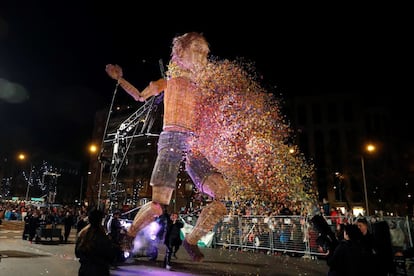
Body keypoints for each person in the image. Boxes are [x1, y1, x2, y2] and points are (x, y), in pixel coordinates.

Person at [105, 32, 229, 262]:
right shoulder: (170, 82)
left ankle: (191, 240)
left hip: (194, 145)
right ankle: (129, 234)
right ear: (181, 51)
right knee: (158, 205)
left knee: (222, 197)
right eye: (197, 49)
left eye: (205, 52)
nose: (202, 56)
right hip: (172, 139)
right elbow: (140, 96)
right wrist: (119, 80)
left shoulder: (202, 87)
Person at [75, 208, 116, 276]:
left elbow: (77, 253)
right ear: (100, 220)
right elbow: (110, 256)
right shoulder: (102, 236)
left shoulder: (82, 234)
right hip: (100, 270)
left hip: (85, 270)